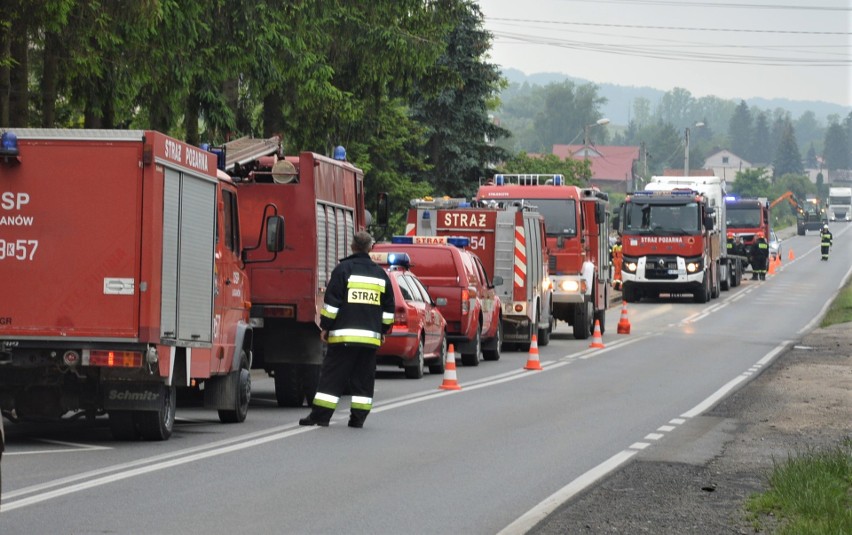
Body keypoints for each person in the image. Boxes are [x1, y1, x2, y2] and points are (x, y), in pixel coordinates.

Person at [299, 231, 394, 428]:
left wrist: (325, 327)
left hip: (343, 337)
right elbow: (388, 309)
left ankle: (321, 417)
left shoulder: (343, 270)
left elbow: (332, 304)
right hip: (369, 341)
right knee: (363, 380)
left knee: (332, 378)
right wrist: (383, 330)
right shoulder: (380, 274)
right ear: (370, 248)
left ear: (352, 247)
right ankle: (358, 419)